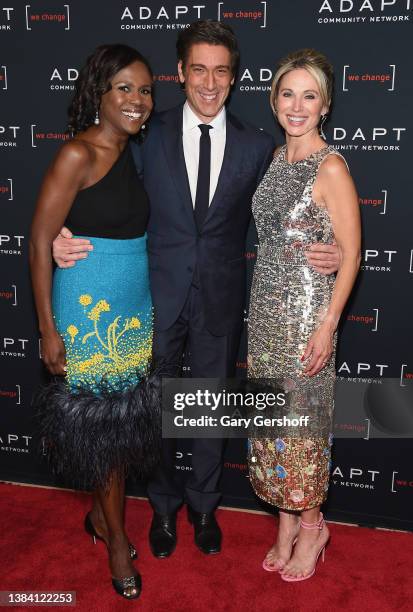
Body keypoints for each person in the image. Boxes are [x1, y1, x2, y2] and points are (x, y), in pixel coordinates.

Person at [52, 22, 341, 559]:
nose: (210, 83)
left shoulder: (260, 146)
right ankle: (163, 509)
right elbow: (102, 189)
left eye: (222, 71)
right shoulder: (146, 133)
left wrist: (339, 249)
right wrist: (62, 237)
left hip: (222, 297)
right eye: (199, 70)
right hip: (153, 297)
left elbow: (293, 212)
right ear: (181, 73)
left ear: (235, 78)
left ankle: (205, 507)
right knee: (160, 411)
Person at [29, 44, 158, 599]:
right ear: (99, 93)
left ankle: (104, 519)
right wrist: (47, 330)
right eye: (124, 88)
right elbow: (38, 241)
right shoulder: (75, 156)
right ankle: (114, 544)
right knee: (103, 435)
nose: (137, 100)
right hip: (87, 313)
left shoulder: (134, 151)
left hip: (132, 311)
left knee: (123, 428)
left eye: (146, 90)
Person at [247, 48, 361, 582]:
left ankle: (313, 526)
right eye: (288, 94)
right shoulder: (274, 159)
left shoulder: (331, 165)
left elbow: (351, 253)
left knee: (301, 429)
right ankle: (286, 522)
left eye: (308, 96)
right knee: (272, 425)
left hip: (306, 320)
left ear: (324, 105)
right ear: (275, 101)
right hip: (265, 316)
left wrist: (327, 324)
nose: (297, 105)